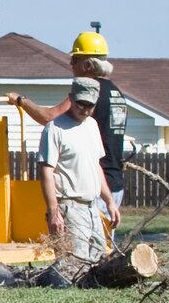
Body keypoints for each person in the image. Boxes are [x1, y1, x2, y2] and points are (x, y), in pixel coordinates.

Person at [7, 31, 131, 216]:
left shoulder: (90, 92)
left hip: (93, 187)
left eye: (75, 59)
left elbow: (48, 117)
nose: (71, 64)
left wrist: (20, 100)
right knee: (102, 244)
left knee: (82, 242)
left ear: (88, 64)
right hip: (113, 183)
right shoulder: (116, 92)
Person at [36, 77, 121, 281]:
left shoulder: (91, 126)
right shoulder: (55, 128)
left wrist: (109, 202)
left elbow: (96, 167)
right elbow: (46, 172)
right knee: (74, 264)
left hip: (92, 207)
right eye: (80, 103)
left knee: (98, 258)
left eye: (89, 105)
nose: (84, 109)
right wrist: (54, 211)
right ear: (71, 99)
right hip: (69, 207)